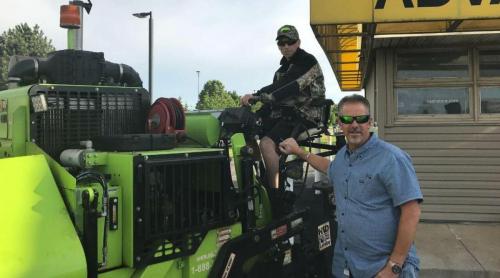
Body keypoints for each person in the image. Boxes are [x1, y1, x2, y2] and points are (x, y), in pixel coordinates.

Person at [279, 94, 423, 278]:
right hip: (347, 263)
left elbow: (412, 211)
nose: (354, 124)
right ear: (340, 124)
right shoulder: (342, 157)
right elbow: (329, 168)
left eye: (361, 118)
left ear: (369, 122)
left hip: (382, 267)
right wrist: (299, 151)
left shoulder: (392, 158)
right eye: (347, 119)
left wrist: (394, 266)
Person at [240, 24, 325, 189]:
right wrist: (255, 114)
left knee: (266, 143)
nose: (286, 46)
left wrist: (256, 95)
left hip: (306, 115)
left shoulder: (307, 61)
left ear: (298, 42)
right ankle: (260, 176)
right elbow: (273, 99)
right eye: (281, 43)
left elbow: (288, 86)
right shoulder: (281, 70)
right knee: (247, 127)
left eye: (290, 42)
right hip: (285, 114)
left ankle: (274, 193)